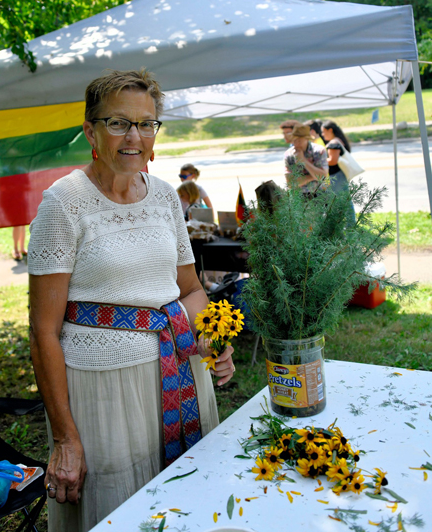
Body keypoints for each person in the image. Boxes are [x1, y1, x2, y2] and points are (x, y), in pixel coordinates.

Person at [27, 69, 234, 532]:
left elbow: (190, 290)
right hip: (104, 393)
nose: (133, 136)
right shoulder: (63, 203)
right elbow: (43, 331)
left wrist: (214, 339)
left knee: (187, 503)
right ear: (90, 130)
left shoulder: (163, 196)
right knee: (121, 512)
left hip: (179, 372)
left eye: (146, 124)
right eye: (118, 123)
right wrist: (64, 437)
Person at [321, 120, 356, 223]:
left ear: (330, 130)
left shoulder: (334, 143)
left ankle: (349, 224)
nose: (322, 135)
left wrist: (319, 161)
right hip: (338, 175)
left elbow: (332, 161)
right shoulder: (338, 140)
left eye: (323, 132)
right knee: (343, 200)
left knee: (341, 201)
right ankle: (349, 224)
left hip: (336, 176)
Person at [284, 124, 328, 194]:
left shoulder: (319, 151)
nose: (296, 144)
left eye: (299, 141)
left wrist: (303, 160)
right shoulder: (289, 154)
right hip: (298, 197)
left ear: (307, 139)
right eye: (294, 141)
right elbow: (290, 183)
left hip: (319, 195)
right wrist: (313, 176)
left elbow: (322, 177)